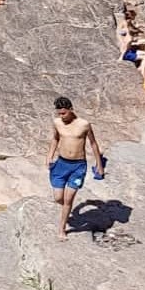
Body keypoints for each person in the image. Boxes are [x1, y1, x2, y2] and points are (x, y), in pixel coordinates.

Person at [46, 97, 103, 241]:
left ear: (71, 109)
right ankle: (67, 209)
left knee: (68, 199)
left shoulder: (84, 124)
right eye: (59, 113)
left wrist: (99, 165)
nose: (61, 116)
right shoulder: (57, 123)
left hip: (78, 166)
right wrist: (49, 156)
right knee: (58, 198)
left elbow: (93, 144)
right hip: (61, 164)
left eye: (64, 113)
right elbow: (55, 139)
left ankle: (62, 229)